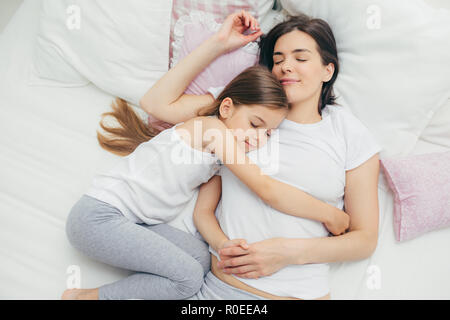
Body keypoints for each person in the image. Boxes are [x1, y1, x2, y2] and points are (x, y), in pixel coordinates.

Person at [142, 11, 381, 300]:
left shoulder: (348, 132)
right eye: (277, 60)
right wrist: (219, 43)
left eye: (300, 58)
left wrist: (287, 252)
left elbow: (364, 239)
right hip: (222, 292)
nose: (285, 67)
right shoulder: (243, 107)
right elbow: (155, 103)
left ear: (328, 71)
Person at [61, 65, 349, 300]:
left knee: (200, 259)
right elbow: (265, 188)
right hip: (98, 217)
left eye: (269, 133)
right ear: (226, 108)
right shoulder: (211, 129)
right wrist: (329, 213)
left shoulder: (217, 160)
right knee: (186, 280)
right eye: (255, 124)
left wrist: (223, 244)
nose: (259, 138)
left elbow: (202, 213)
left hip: (133, 222)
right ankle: (86, 298)